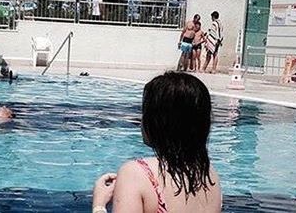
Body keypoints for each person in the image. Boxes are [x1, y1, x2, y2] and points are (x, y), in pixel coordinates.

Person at [92, 73, 222, 213]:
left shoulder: (136, 174)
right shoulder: (210, 176)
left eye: (144, 112)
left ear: (158, 121)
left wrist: (99, 204)